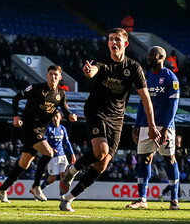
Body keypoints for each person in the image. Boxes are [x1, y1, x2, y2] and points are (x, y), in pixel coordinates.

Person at [59, 28, 160, 212]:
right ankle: (71, 170)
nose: (113, 43)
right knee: (100, 151)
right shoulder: (102, 62)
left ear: (125, 44)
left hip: (117, 117)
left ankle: (68, 199)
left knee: (102, 164)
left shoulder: (134, 67)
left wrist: (152, 125)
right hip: (96, 111)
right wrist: (89, 72)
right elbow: (93, 71)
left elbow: (146, 99)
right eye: (111, 39)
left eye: (117, 40)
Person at [0, 65, 77, 203]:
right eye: (51, 74)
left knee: (24, 164)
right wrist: (15, 116)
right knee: (49, 153)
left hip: (41, 130)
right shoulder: (36, 88)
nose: (53, 77)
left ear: (60, 77)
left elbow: (66, 110)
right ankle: (36, 186)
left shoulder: (60, 94)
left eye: (56, 75)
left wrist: (71, 116)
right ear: (47, 75)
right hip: (29, 127)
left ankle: (2, 189)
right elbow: (16, 98)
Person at [126, 46, 181, 210]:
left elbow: (174, 106)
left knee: (169, 159)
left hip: (164, 126)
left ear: (162, 57)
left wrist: (165, 128)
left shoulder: (171, 78)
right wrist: (136, 125)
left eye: (152, 55)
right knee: (144, 159)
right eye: (148, 55)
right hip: (145, 125)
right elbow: (142, 103)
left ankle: (174, 199)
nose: (148, 57)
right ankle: (142, 199)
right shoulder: (145, 76)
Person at [41, 111, 75, 194]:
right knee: (52, 178)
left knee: (64, 176)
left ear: (61, 117)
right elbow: (44, 141)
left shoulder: (62, 128)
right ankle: (39, 189)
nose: (55, 118)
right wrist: (50, 149)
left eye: (57, 116)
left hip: (62, 156)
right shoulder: (49, 128)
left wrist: (72, 154)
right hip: (53, 157)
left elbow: (67, 142)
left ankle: (62, 196)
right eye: (53, 116)